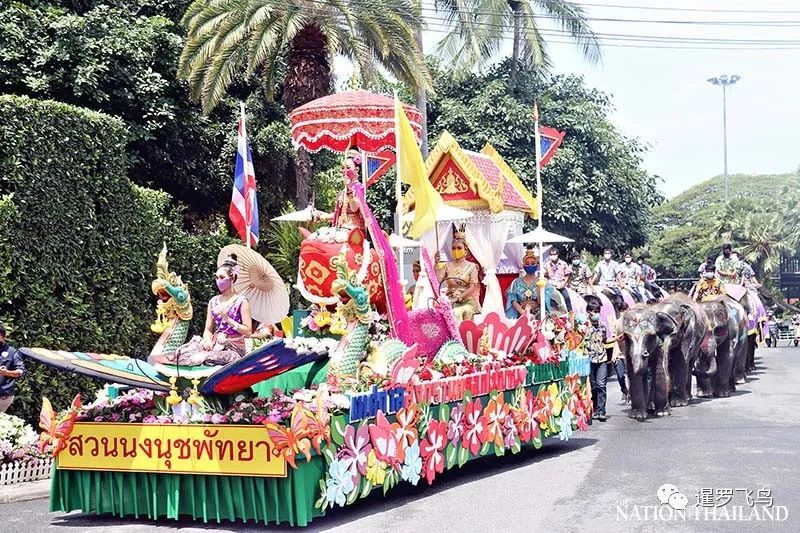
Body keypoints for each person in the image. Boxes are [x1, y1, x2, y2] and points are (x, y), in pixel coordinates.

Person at [159, 254, 252, 366]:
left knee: (205, 357)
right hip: (215, 343)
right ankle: (162, 362)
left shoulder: (241, 301)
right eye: (216, 277)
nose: (218, 281)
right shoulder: (214, 301)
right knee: (186, 350)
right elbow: (208, 329)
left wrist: (228, 320)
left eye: (222, 278)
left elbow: (248, 331)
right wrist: (207, 339)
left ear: (232, 278)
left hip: (233, 349)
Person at [436, 230, 481, 321]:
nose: (456, 250)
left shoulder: (472, 266)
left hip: (467, 302)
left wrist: (459, 297)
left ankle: (458, 335)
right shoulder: (447, 266)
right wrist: (436, 264)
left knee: (457, 312)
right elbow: (438, 280)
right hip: (450, 301)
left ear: (466, 249)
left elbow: (472, 287)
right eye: (453, 248)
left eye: (459, 248)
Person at [314, 150, 365, 229]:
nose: (344, 171)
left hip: (354, 231)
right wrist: (321, 216)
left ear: (357, 169)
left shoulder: (359, 188)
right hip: (341, 228)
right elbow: (339, 214)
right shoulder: (343, 191)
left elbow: (354, 209)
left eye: (348, 168)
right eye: (342, 168)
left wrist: (349, 192)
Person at [505, 246, 544, 319]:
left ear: (537, 265)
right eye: (527, 263)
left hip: (539, 315)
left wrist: (539, 290)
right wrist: (523, 312)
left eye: (533, 263)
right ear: (523, 266)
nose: (530, 265)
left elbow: (545, 301)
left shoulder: (542, 281)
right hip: (521, 315)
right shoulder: (516, 282)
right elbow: (512, 299)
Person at [585, 306, 609, 421]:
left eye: (597, 311)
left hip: (602, 358)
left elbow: (605, 341)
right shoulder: (584, 326)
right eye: (594, 311)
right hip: (589, 359)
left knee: (601, 385)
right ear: (588, 312)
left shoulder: (602, 326)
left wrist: (616, 339)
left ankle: (602, 410)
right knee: (593, 385)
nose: (596, 314)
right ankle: (594, 408)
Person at [0, 326, 24, 413]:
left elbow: (20, 372)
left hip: (3, 395)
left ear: (3, 337)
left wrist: (6, 372)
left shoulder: (13, 352)